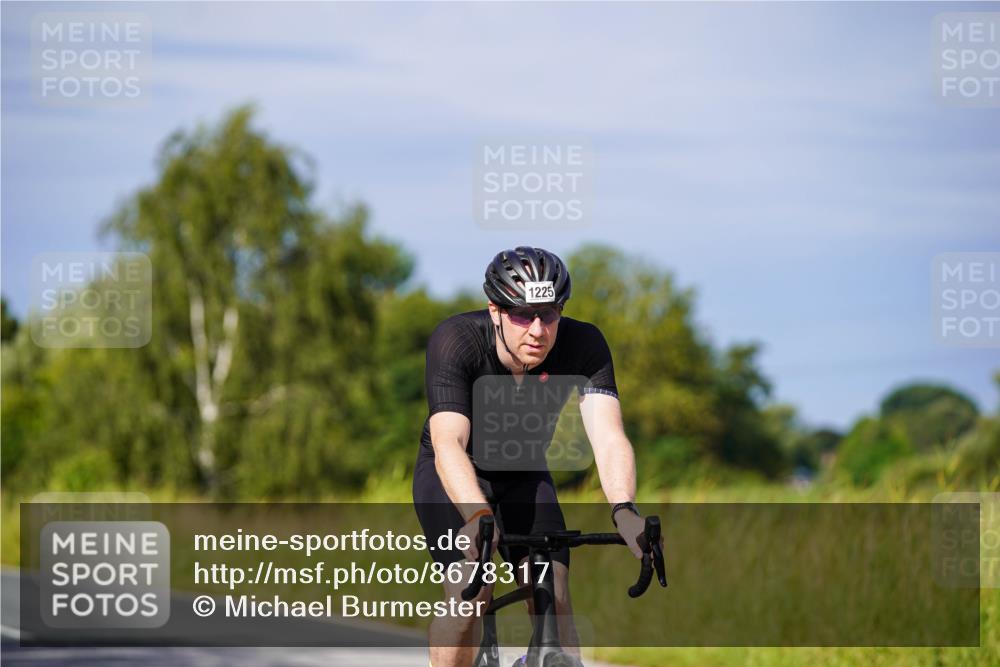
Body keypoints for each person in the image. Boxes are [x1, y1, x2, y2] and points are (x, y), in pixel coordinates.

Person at [412, 246, 648, 667]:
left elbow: (609, 436)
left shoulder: (584, 344)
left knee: (552, 595)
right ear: (495, 311)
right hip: (455, 476)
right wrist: (475, 516)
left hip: (523, 474)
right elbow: (448, 441)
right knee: (471, 590)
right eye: (522, 315)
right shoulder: (457, 340)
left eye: (550, 314)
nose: (538, 330)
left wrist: (625, 510)